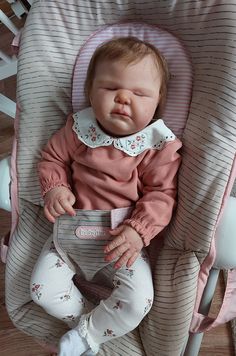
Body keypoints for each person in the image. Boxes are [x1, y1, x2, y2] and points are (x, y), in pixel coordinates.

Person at [30, 36, 182, 356]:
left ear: (158, 102)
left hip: (121, 242)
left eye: (139, 93)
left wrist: (138, 230)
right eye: (111, 88)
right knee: (42, 292)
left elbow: (162, 194)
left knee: (139, 301)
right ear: (90, 92)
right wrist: (56, 187)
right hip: (70, 235)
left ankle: (87, 335)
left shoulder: (156, 145)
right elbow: (52, 159)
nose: (124, 99)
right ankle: (91, 324)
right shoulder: (78, 129)